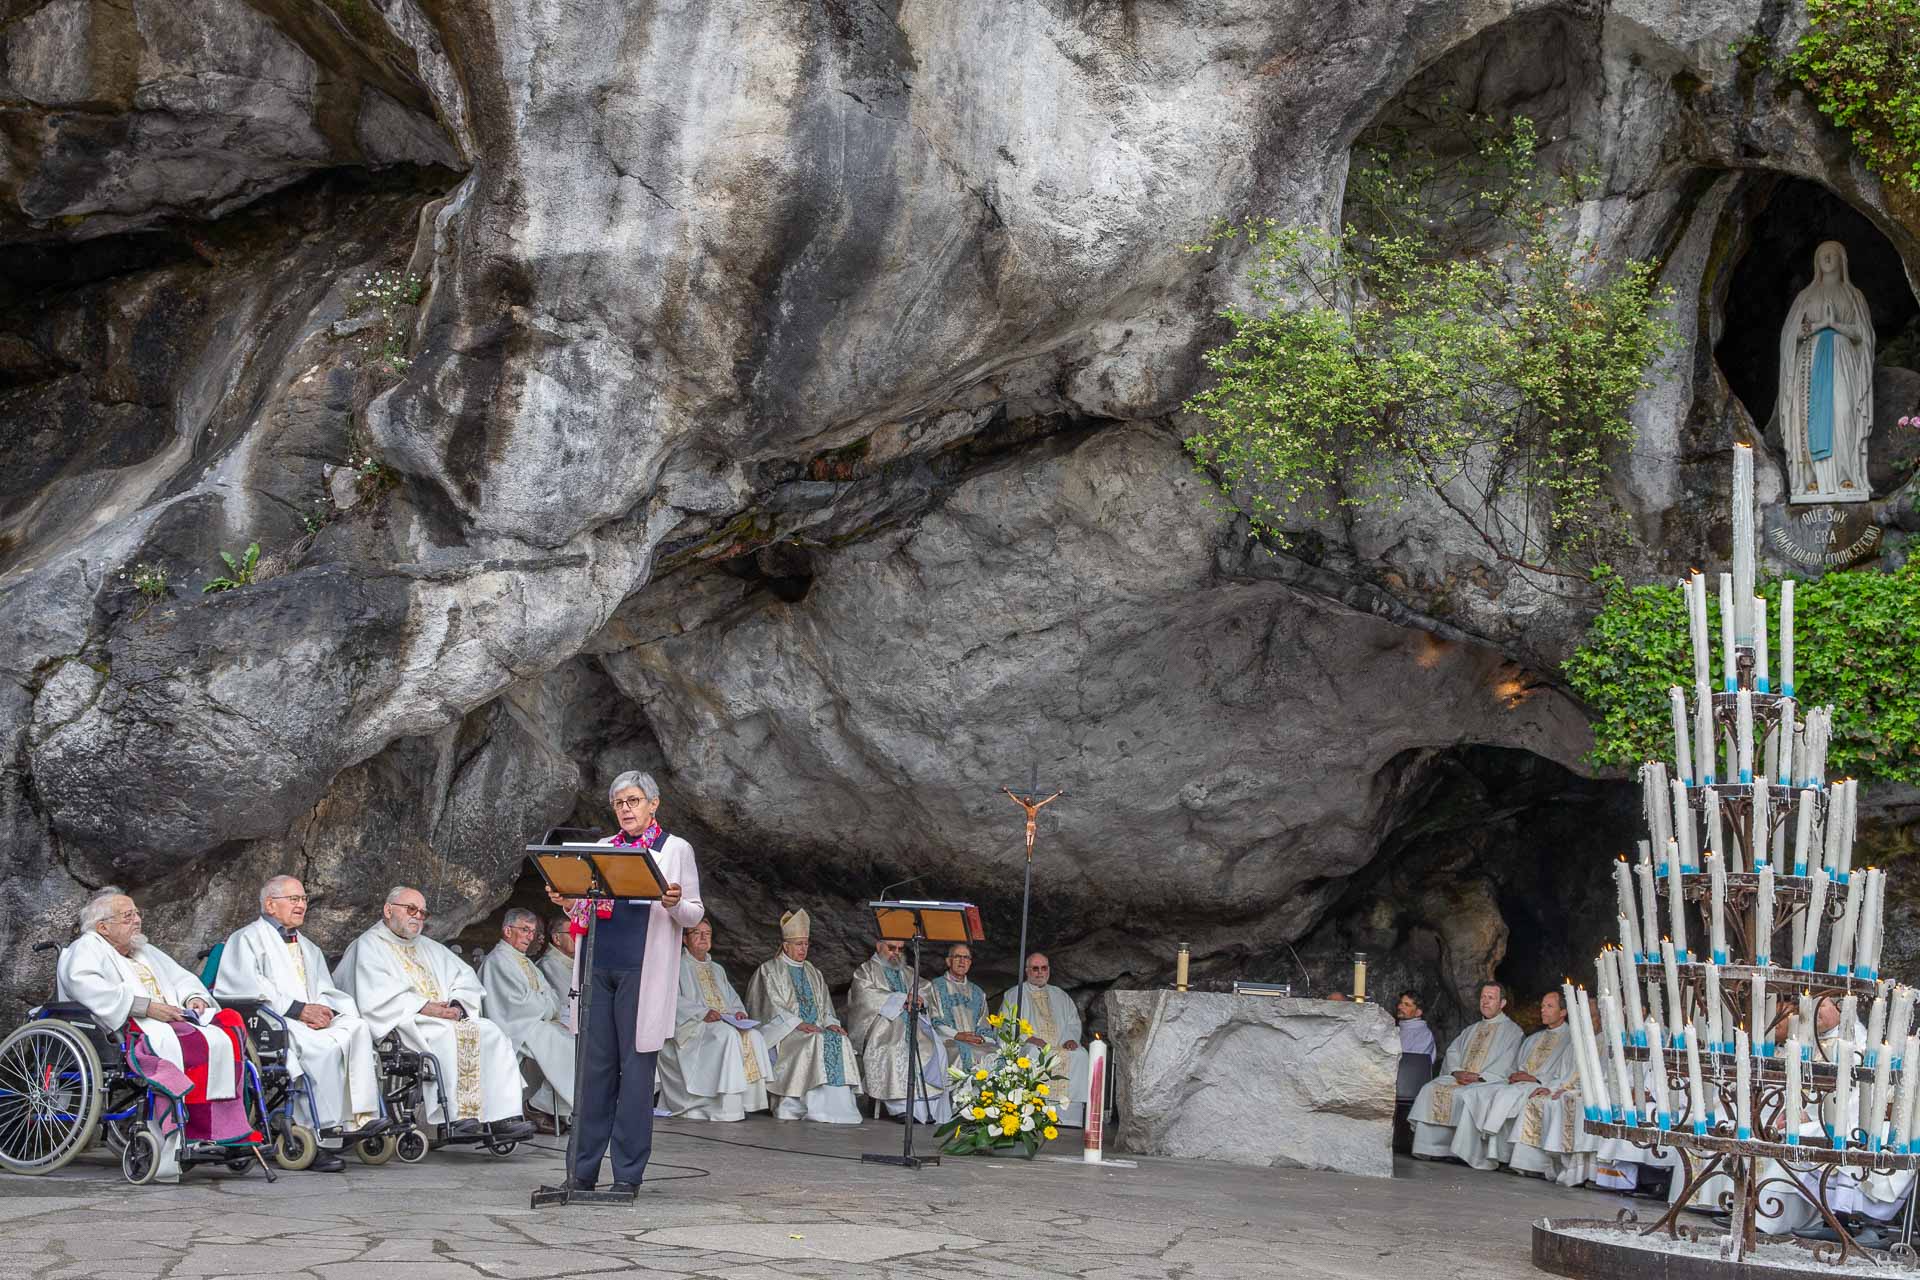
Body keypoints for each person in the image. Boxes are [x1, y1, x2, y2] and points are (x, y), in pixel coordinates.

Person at [544, 769, 704, 1195]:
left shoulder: (674, 849)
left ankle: (627, 1175)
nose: (626, 809)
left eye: (633, 801)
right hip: (597, 967)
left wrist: (673, 902)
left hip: (641, 970)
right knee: (592, 1073)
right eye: (619, 803)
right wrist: (568, 900)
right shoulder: (601, 848)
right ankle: (581, 1172)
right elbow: (585, 905)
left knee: (634, 1076)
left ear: (654, 803)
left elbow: (694, 912)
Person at [58, 888, 255, 1181]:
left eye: (137, 914)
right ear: (103, 927)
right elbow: (85, 986)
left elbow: (182, 978)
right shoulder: (86, 948)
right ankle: (188, 1131)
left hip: (171, 1020)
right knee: (194, 1045)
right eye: (127, 916)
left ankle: (224, 1131)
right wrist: (146, 1007)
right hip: (128, 1028)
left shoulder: (144, 950)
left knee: (227, 1029)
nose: (137, 920)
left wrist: (193, 998)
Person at [334, 886, 534, 1143]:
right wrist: (424, 1006)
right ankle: (458, 1115)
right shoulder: (369, 946)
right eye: (411, 909)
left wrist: (457, 1005)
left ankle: (504, 1116)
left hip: (444, 1018)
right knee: (446, 1036)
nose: (418, 916)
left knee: (491, 1032)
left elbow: (464, 978)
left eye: (422, 912)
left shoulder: (429, 946)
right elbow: (374, 993)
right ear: (388, 910)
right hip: (405, 1022)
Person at [214, 875, 385, 1169]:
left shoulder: (307, 946)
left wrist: (326, 1010)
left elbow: (324, 987)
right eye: (294, 899)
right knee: (323, 1050)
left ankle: (360, 1118)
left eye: (304, 899)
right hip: (274, 1021)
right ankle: (317, 1134)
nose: (302, 905)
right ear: (270, 904)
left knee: (357, 1029)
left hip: (309, 1018)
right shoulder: (246, 939)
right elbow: (245, 986)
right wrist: (298, 1010)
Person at [746, 909, 864, 1123]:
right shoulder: (769, 970)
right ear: (786, 945)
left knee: (840, 1040)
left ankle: (839, 1109)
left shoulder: (813, 972)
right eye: (799, 944)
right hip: (786, 1034)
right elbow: (770, 1007)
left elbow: (825, 1006)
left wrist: (831, 1023)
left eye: (806, 944)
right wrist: (798, 1024)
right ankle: (806, 1107)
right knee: (816, 1041)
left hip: (816, 1029)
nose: (803, 949)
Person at [1443, 990, 1575, 1170]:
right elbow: (1516, 1064)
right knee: (1478, 1093)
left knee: (1505, 1096)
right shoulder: (1534, 1038)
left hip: (1541, 1085)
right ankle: (1473, 1152)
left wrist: (1536, 1079)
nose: (1543, 1010)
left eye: (1549, 1006)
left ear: (1563, 1012)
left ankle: (1497, 1152)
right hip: (1518, 1083)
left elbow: (1567, 1071)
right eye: (1542, 1006)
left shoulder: (1571, 1039)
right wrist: (1516, 1074)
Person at [658, 920, 772, 1120]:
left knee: (753, 1036)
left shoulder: (717, 969)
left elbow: (732, 998)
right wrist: (702, 1013)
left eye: (708, 933)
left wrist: (738, 1012)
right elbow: (669, 999)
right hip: (691, 1027)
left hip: (722, 1022)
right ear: (684, 939)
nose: (703, 937)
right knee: (727, 1035)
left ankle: (742, 1103)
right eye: (697, 933)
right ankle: (721, 1107)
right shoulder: (675, 965)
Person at [479, 907, 576, 1133]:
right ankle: (537, 1106)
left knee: (579, 1045)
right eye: (524, 930)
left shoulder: (524, 962)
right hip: (514, 1026)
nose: (530, 936)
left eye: (532, 931)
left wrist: (543, 1002)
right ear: (507, 930)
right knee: (571, 1048)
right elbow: (519, 1004)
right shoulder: (498, 961)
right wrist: (544, 1003)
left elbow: (552, 998)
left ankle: (555, 1109)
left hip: (535, 1023)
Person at [1408, 981, 1524, 1159]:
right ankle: (1431, 1149)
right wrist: (1456, 1071)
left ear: (1502, 1003)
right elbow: (1453, 1051)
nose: (1485, 1001)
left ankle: (1461, 1153)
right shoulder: (1471, 1029)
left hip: (1489, 1081)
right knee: (1430, 1089)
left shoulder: (1513, 1032)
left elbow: (1509, 1062)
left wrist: (1480, 1077)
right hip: (1460, 1078)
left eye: (1491, 998)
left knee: (1469, 1096)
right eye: (1483, 997)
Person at [849, 938, 950, 1122]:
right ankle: (900, 1107)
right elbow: (864, 997)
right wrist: (902, 998)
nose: (896, 952)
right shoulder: (866, 970)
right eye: (891, 948)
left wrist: (919, 998)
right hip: (882, 1027)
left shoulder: (908, 972)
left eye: (900, 949)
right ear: (878, 946)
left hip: (914, 1024)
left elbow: (925, 988)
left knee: (937, 1047)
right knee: (895, 1047)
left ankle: (925, 1109)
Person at [999, 953, 1090, 1127]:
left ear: (1049, 970)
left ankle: (1069, 1117)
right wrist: (1028, 1038)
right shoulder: (1015, 994)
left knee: (1080, 1055)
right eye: (1035, 968)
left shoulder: (1060, 995)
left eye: (1044, 968)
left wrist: (1070, 1039)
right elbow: (1006, 1025)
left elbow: (1073, 1022)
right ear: (1027, 971)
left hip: (1059, 1045)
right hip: (1028, 1045)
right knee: (1033, 1054)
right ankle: (1034, 1114)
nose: (1040, 972)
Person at [929, 943, 992, 1074]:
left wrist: (981, 1038)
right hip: (948, 1040)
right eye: (957, 956)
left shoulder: (978, 992)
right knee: (960, 1053)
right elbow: (934, 1020)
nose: (962, 961)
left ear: (970, 963)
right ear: (948, 961)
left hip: (974, 1042)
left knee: (995, 1054)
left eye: (966, 957)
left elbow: (984, 1025)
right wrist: (957, 1035)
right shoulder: (935, 987)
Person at [538, 914, 576, 1003]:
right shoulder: (547, 965)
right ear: (557, 938)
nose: (578, 938)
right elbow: (568, 1001)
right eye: (573, 933)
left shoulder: (576, 962)